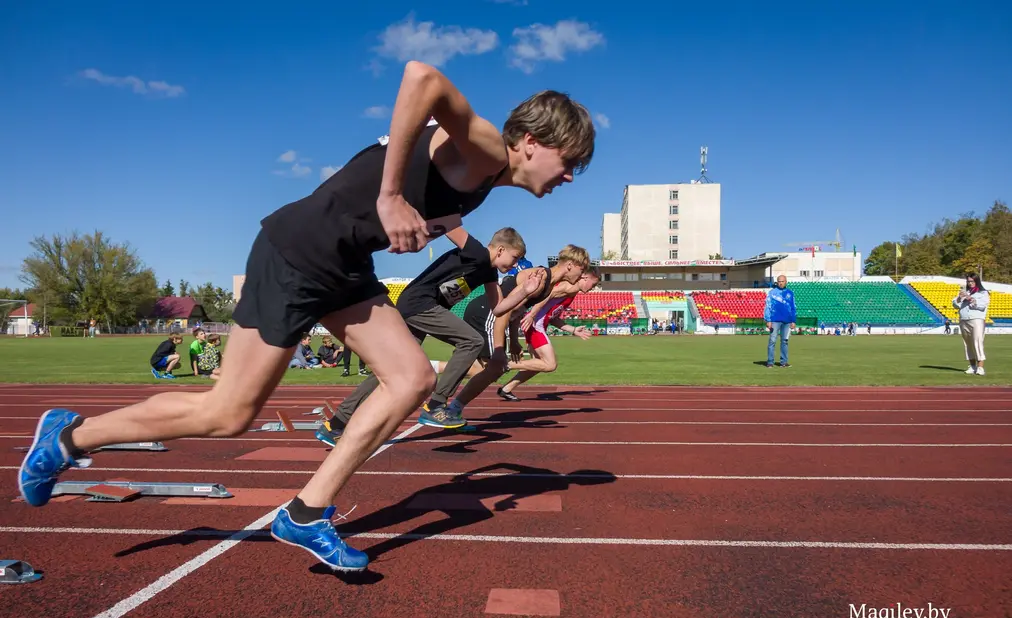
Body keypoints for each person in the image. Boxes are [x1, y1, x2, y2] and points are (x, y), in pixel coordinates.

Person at [17, 61, 596, 574]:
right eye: (569, 161)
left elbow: (407, 164)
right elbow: (421, 76)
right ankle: (68, 437)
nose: (570, 176)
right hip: (299, 254)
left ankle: (305, 512)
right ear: (530, 141)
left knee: (412, 379)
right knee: (227, 413)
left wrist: (419, 217)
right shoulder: (486, 147)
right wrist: (390, 195)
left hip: (345, 266)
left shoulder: (485, 174)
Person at [315, 225, 543, 445]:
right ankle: (436, 405)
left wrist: (524, 291)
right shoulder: (476, 251)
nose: (515, 264)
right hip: (420, 304)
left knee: (392, 370)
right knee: (472, 340)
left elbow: (499, 308)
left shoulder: (489, 271)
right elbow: (449, 226)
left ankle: (335, 423)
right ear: (501, 249)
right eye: (515, 257)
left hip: (418, 306)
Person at [446, 245, 589, 416]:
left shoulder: (548, 284)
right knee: (494, 368)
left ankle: (437, 384)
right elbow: (504, 310)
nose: (582, 275)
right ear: (570, 265)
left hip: (486, 311)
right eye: (582, 270)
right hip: (487, 313)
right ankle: (450, 409)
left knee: (484, 369)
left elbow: (516, 311)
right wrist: (500, 349)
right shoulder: (541, 278)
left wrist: (514, 341)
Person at [495, 268, 599, 401]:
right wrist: (532, 314)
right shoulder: (569, 287)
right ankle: (505, 364)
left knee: (537, 365)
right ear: (585, 277)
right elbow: (548, 294)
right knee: (550, 364)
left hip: (537, 324)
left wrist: (573, 329)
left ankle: (506, 389)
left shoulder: (572, 293)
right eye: (593, 284)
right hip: (534, 325)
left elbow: (552, 318)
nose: (593, 288)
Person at [953, 272, 990, 376]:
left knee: (977, 342)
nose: (970, 283)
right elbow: (955, 304)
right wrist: (959, 298)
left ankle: (980, 367)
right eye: (968, 281)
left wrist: (971, 299)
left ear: (977, 281)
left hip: (976, 319)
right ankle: (972, 366)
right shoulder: (965, 292)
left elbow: (982, 306)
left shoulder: (983, 293)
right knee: (968, 344)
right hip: (964, 319)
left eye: (972, 281)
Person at [763, 275, 796, 368]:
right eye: (779, 281)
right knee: (772, 341)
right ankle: (770, 362)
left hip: (787, 321)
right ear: (777, 282)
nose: (781, 283)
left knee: (785, 341)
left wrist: (793, 320)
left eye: (782, 281)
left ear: (786, 282)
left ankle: (784, 362)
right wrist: (768, 320)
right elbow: (768, 306)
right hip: (775, 320)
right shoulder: (772, 293)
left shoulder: (790, 293)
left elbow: (793, 307)